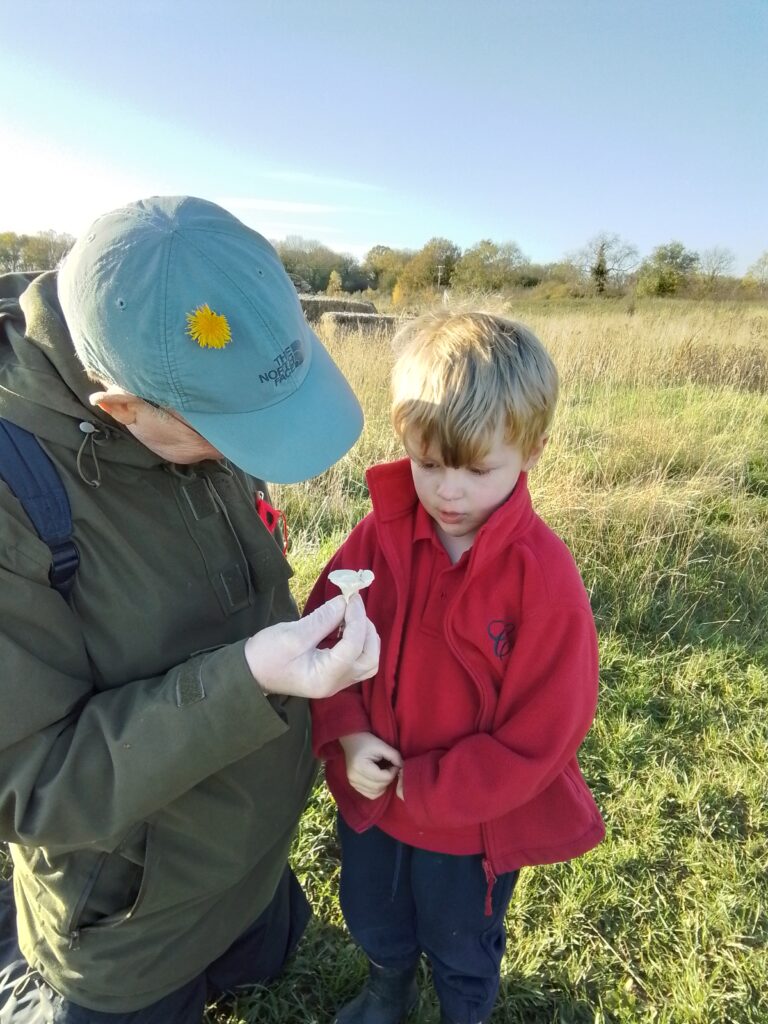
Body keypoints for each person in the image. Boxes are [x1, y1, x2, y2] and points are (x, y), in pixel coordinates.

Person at [0, 195, 380, 1022]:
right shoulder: (13, 499)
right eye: (226, 436)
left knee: (266, 955)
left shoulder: (187, 378)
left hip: (248, 868)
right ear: (123, 410)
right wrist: (245, 679)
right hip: (131, 931)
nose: (247, 460)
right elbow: (31, 788)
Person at [307, 311, 606, 1024]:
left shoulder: (543, 576)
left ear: (531, 451)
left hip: (473, 825)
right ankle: (388, 987)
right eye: (429, 463)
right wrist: (347, 735)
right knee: (372, 911)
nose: (447, 492)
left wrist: (433, 784)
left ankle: (463, 1010)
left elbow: (546, 730)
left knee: (462, 940)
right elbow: (322, 636)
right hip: (373, 797)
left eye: (477, 470)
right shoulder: (375, 539)